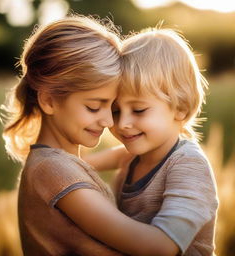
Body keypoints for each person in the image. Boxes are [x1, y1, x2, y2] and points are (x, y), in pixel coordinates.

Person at [1, 16, 179, 256]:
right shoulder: (53, 171)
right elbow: (156, 248)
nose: (108, 121)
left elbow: (115, 159)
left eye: (112, 107)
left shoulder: (56, 165)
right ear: (49, 100)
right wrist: (194, 206)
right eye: (94, 107)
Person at [85, 28, 219, 255]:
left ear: (181, 108)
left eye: (138, 110)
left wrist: (93, 218)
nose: (123, 123)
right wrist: (66, 164)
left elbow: (162, 246)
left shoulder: (188, 166)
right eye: (116, 111)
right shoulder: (135, 157)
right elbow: (113, 156)